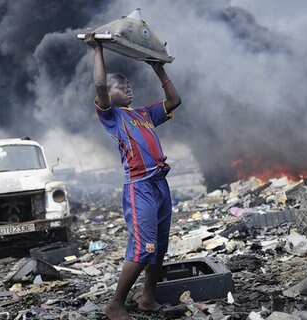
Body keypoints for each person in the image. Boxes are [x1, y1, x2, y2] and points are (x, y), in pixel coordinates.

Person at [84, 32, 182, 320]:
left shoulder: (143, 113)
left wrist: (158, 68)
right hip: (140, 188)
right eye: (120, 84)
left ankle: (147, 298)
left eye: (128, 83)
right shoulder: (111, 115)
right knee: (143, 248)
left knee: (160, 247)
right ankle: (116, 303)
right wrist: (98, 48)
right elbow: (100, 82)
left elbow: (174, 100)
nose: (127, 86)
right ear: (108, 94)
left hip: (160, 185)